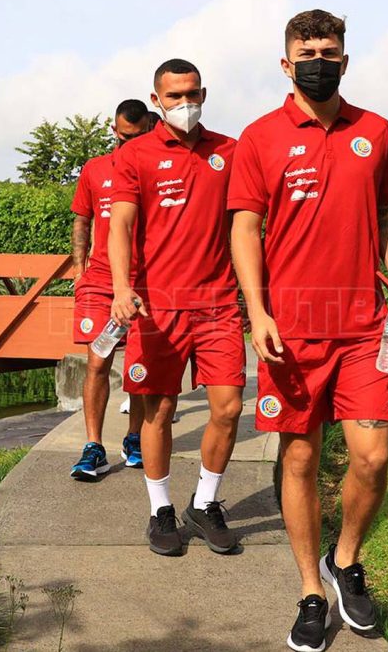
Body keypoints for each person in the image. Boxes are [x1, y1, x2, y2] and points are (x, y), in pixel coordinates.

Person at [228, 10, 388, 652]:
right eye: (306, 51)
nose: (318, 60)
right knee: (302, 456)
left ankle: (346, 560)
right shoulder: (258, 139)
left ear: (346, 59)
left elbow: (387, 210)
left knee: (372, 458)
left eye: (329, 50)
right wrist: (257, 314)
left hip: (368, 327)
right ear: (286, 64)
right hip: (292, 332)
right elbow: (245, 231)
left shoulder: (377, 131)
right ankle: (311, 590)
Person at [109, 59, 246, 557]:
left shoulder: (230, 152)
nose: (184, 104)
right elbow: (119, 226)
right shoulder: (136, 155)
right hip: (156, 307)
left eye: (191, 94)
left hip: (217, 305)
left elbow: (247, 227)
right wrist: (122, 288)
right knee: (160, 409)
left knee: (229, 408)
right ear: (156, 100)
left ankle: (205, 502)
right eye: (173, 97)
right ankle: (160, 509)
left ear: (204, 94)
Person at [69, 99, 153, 478]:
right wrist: (77, 265)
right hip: (100, 282)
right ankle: (93, 446)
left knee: (139, 366)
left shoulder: (156, 168)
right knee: (98, 361)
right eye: (122, 136)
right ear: (114, 130)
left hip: (145, 284)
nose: (128, 143)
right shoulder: (95, 169)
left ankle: (134, 439)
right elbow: (81, 220)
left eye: (136, 137)